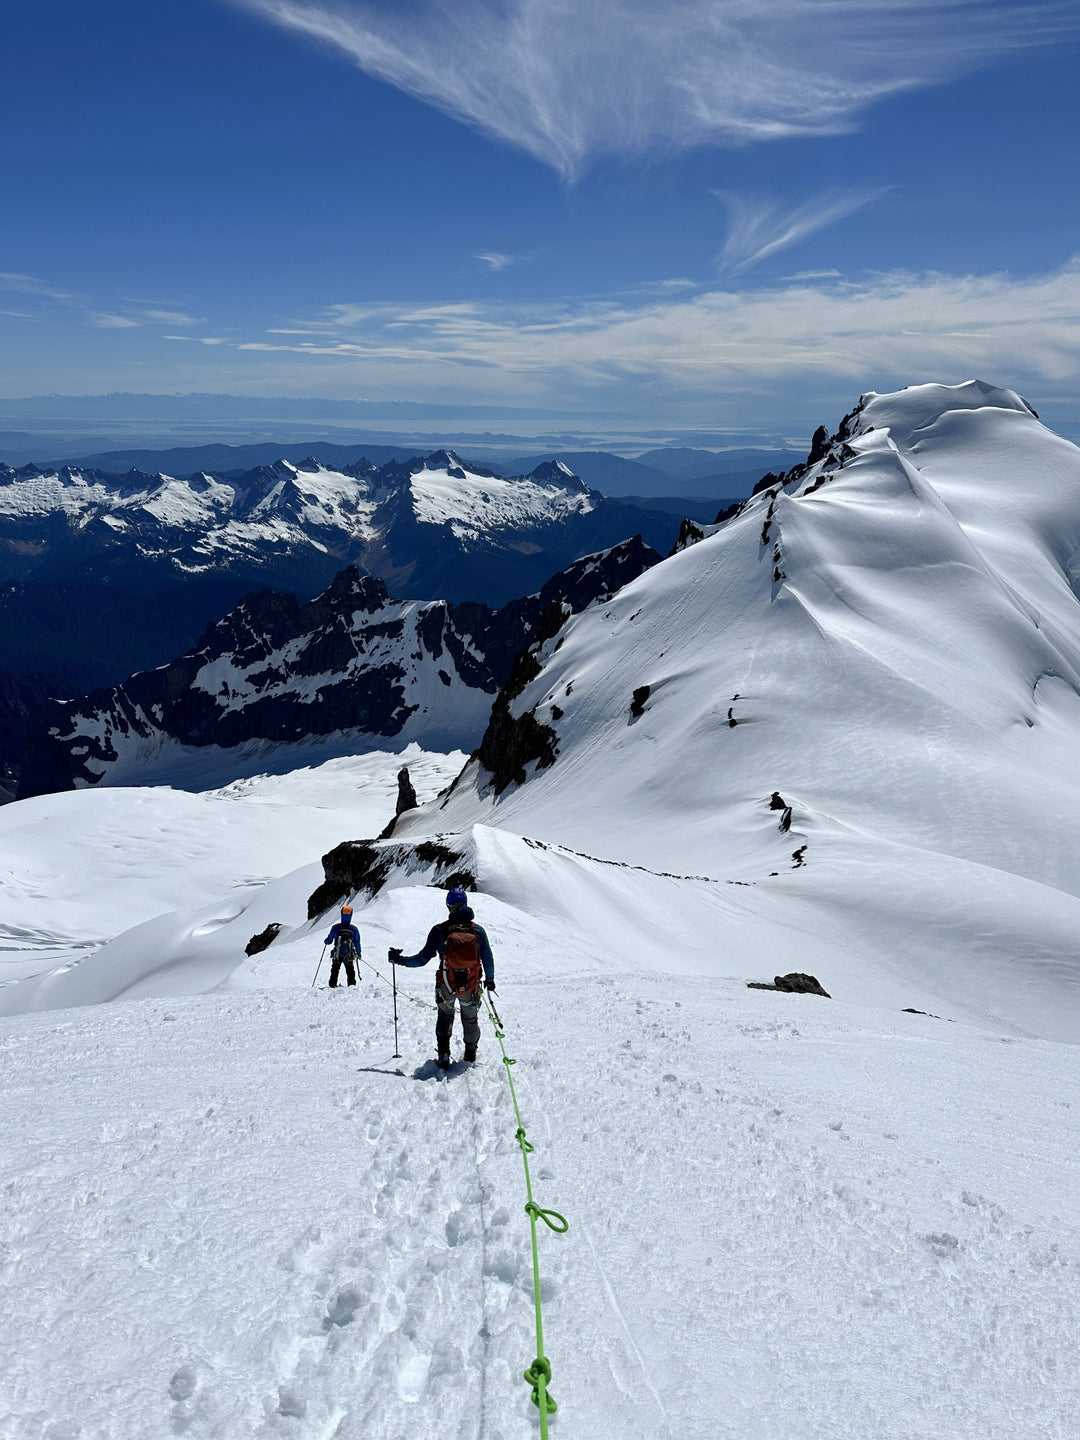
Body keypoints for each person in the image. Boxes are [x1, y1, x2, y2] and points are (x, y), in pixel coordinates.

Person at [389, 888, 496, 1068]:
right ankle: (470, 1053)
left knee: (445, 1015)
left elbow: (421, 959)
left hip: (446, 983)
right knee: (470, 1019)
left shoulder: (440, 930)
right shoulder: (478, 931)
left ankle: (444, 1054)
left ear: (448, 905)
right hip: (470, 985)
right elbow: (487, 958)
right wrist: (490, 979)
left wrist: (399, 959)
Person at [324, 904, 361, 987]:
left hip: (337, 953)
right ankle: (352, 986)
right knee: (350, 971)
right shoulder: (354, 929)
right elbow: (357, 942)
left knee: (335, 970)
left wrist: (326, 941)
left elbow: (329, 940)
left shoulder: (336, 928)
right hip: (349, 954)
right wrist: (358, 952)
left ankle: (332, 985)